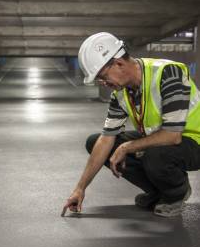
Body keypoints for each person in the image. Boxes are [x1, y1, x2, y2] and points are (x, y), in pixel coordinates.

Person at [62, 32, 200, 218]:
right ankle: (158, 191)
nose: (103, 83)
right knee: (95, 142)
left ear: (118, 63)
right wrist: (80, 188)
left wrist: (127, 147)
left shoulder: (168, 72)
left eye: (103, 76)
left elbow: (172, 135)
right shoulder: (120, 93)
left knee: (153, 153)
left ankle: (175, 193)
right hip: (166, 140)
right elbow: (106, 138)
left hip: (193, 140)